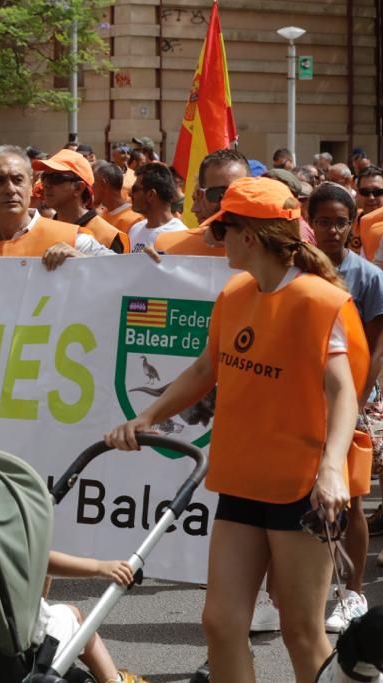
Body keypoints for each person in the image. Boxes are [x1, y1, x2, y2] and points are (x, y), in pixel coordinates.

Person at [106, 176, 368, 683]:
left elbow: (342, 392)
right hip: (243, 479)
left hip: (302, 488)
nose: (215, 239)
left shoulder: (320, 300)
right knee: (221, 624)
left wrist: (332, 470)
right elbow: (206, 370)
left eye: (222, 229)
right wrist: (146, 418)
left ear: (249, 235)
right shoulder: (235, 293)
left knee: (301, 631)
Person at [306, 182, 382, 633]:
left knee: (350, 498)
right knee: (297, 498)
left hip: (350, 403)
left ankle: (353, 592)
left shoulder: (369, 278)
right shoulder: (297, 271)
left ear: (351, 225)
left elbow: (376, 346)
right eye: (323, 221)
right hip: (299, 400)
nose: (332, 229)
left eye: (340, 221)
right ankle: (291, 593)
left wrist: (355, 398)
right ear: (310, 224)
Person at [32, 551, 149, 683]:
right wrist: (100, 568)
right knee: (74, 614)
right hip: (24, 645)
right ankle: (113, 679)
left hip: (7, 646)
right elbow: (43, 560)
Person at [154, 149, 248, 256]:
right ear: (201, 195)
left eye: (240, 191)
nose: (230, 201)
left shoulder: (267, 252)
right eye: (218, 194)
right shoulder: (168, 247)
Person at [35, 149, 129, 253]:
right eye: (45, 177)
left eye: (56, 178)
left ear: (79, 188)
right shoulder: (41, 230)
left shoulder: (107, 236)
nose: (46, 185)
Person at [127, 162, 186, 252]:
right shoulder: (135, 230)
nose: (130, 194)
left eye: (135, 189)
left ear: (151, 194)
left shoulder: (180, 235)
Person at [93, 162, 143, 235]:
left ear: (103, 184)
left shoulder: (135, 220)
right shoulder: (100, 216)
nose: (92, 188)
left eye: (94, 184)